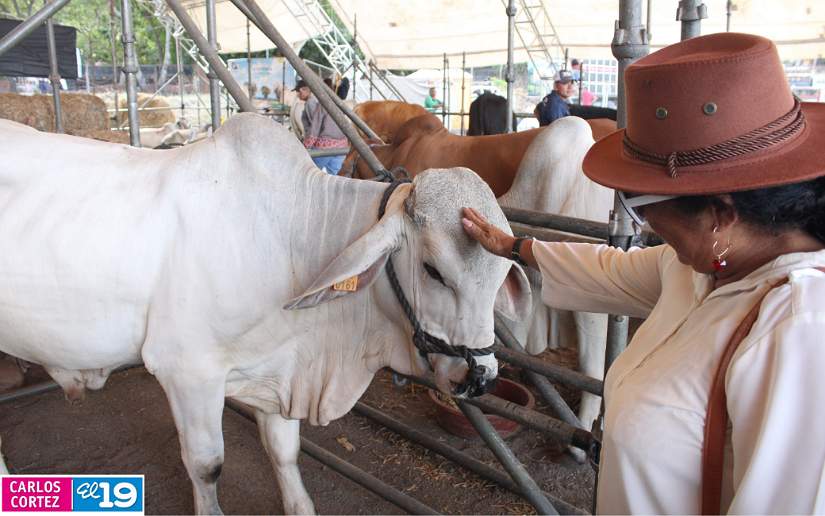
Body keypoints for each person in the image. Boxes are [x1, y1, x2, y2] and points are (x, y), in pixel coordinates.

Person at [462, 32, 825, 514]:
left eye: (640, 203)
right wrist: (513, 246)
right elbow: (612, 269)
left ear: (721, 213)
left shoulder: (798, 332)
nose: (643, 223)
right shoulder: (705, 269)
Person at [300, 78, 349, 174]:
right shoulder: (343, 105)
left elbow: (315, 128)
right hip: (342, 147)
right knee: (336, 175)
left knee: (309, 172)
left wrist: (305, 146)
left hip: (324, 147)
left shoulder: (323, 105)